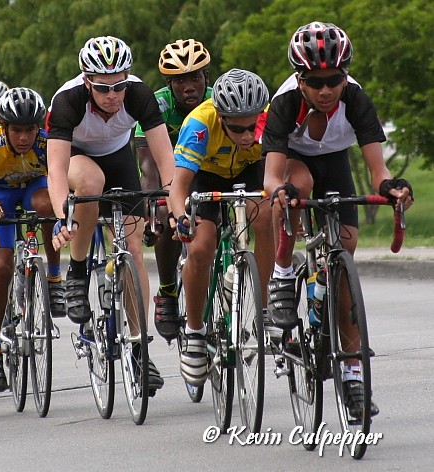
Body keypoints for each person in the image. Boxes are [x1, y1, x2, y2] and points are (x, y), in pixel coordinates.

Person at [263, 21, 414, 417]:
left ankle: (351, 376)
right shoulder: (284, 103)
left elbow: (378, 173)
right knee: (299, 184)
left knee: (345, 253)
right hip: (295, 162)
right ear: (300, 79)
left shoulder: (356, 99)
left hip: (336, 162)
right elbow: (271, 177)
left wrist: (393, 187)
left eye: (334, 80)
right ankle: (282, 276)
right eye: (315, 82)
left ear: (345, 75)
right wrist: (279, 193)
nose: (326, 90)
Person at [47, 36, 175, 393]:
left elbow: (166, 161)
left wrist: (173, 204)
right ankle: (76, 271)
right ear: (87, 82)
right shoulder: (68, 101)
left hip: (120, 158)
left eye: (119, 86)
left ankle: (139, 347)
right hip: (78, 159)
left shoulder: (139, 94)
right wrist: (62, 215)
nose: (112, 95)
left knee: (134, 251)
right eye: (103, 88)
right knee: (91, 181)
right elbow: (56, 172)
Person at [168, 68, 272, 386]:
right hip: (206, 176)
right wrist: (179, 217)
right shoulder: (200, 123)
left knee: (267, 216)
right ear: (221, 115)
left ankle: (262, 305)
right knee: (201, 245)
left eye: (252, 127)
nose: (246, 136)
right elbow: (178, 187)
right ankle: (196, 333)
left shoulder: (270, 120)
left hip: (250, 170)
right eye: (237, 128)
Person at [0, 87, 64, 391]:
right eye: (17, 130)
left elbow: (63, 179)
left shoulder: (48, 143)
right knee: (1, 268)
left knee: (47, 205)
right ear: (4, 127)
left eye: (30, 130)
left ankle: (54, 278)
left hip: (34, 187)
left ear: (39, 128)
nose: (24, 138)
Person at [133, 39, 212, 343]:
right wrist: (154, 210)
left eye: (195, 77)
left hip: (208, 170)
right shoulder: (157, 105)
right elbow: (148, 167)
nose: (189, 86)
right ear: (169, 83)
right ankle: (167, 291)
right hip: (167, 172)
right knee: (166, 212)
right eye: (180, 80)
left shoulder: (219, 99)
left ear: (207, 77)